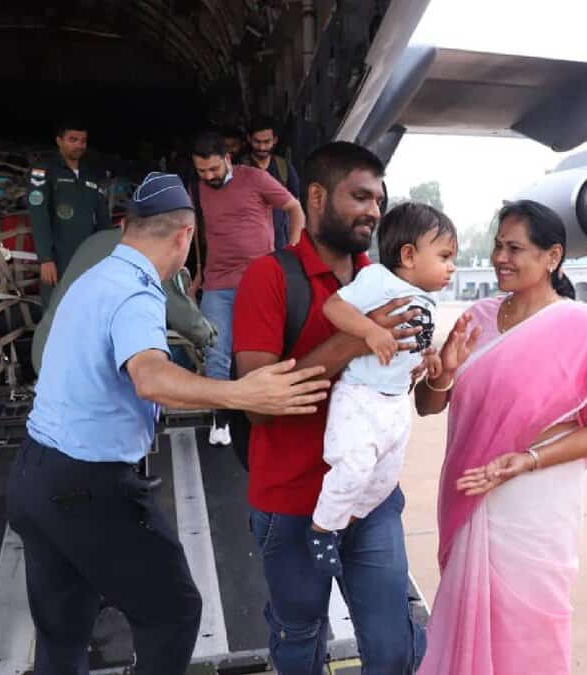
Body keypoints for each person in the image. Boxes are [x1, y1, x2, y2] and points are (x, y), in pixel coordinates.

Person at [8, 172, 331, 675]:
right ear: (186, 236)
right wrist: (240, 393)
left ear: (125, 227)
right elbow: (151, 376)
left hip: (32, 476)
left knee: (63, 630)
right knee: (174, 613)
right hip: (87, 488)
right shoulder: (137, 293)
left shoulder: (92, 277)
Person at [232, 142, 427, 675]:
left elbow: (418, 397)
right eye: (359, 196)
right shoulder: (269, 278)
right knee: (300, 639)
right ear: (316, 197)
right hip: (292, 505)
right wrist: (356, 339)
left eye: (379, 200)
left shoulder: (388, 284)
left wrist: (439, 371)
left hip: (371, 502)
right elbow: (257, 407)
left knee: (392, 644)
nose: (373, 211)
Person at [414, 200, 587, 675]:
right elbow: (428, 406)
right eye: (497, 246)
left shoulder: (580, 328)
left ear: (552, 257)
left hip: (535, 505)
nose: (500, 258)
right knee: (467, 618)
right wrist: (443, 375)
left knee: (531, 625)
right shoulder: (477, 318)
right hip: (471, 492)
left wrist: (527, 459)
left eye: (514, 248)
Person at [307, 202, 457, 571]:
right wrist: (370, 331)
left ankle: (343, 525)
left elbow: (414, 342)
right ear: (408, 255)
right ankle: (321, 530)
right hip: (360, 396)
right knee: (354, 468)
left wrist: (428, 358)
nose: (451, 266)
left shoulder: (428, 299)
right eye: (444, 256)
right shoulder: (378, 280)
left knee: (383, 480)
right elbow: (334, 307)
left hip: (395, 404)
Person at [189, 130, 305, 444]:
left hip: (259, 282)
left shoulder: (254, 178)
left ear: (227, 158)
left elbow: (294, 207)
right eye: (201, 171)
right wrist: (197, 275)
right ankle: (221, 419)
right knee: (216, 352)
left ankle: (262, 414)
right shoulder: (197, 188)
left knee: (260, 353)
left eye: (213, 169)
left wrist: (293, 251)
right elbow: (198, 232)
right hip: (217, 283)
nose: (208, 176)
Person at [31, 223, 215, 375]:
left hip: (44, 352)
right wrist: (209, 337)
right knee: (176, 355)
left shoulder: (95, 241)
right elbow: (181, 315)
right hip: (80, 370)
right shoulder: (148, 253)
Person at [28, 119, 111, 298]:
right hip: (58, 259)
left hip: (88, 257)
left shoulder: (92, 175)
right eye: (73, 140)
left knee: (87, 306)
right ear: (59, 141)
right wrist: (45, 259)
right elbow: (38, 216)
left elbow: (103, 218)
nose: (79, 145)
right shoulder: (44, 171)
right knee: (55, 307)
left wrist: (107, 253)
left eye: (83, 141)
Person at [245, 117, 304, 251]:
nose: (262, 147)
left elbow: (297, 205)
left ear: (275, 140)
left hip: (281, 243)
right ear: (249, 139)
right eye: (257, 142)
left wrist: (294, 243)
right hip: (249, 244)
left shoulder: (283, 167)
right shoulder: (239, 169)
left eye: (267, 142)